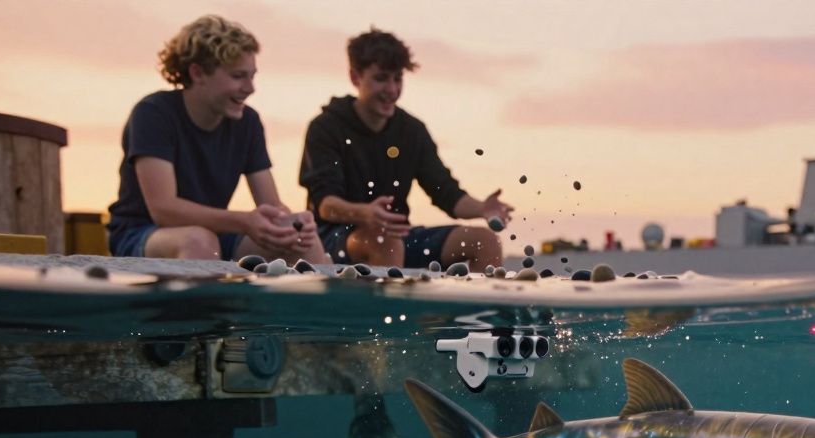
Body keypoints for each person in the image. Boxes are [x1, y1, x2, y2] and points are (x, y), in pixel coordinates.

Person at [106, 15, 329, 264]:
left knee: (299, 239)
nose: (250, 88)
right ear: (198, 73)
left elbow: (271, 205)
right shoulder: (154, 114)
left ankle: (327, 290)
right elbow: (163, 211)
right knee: (199, 241)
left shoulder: (248, 122)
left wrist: (294, 223)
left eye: (252, 76)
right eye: (238, 76)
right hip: (143, 232)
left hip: (215, 232)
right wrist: (244, 221)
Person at [299, 27, 511, 272]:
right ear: (356, 78)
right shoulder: (326, 127)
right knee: (385, 241)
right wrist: (365, 213)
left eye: (397, 79)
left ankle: (478, 302)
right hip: (336, 239)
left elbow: (446, 192)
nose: (391, 89)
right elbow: (325, 205)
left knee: (486, 242)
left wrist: (483, 208)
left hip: (397, 237)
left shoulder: (412, 131)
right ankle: (384, 299)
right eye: (381, 78)